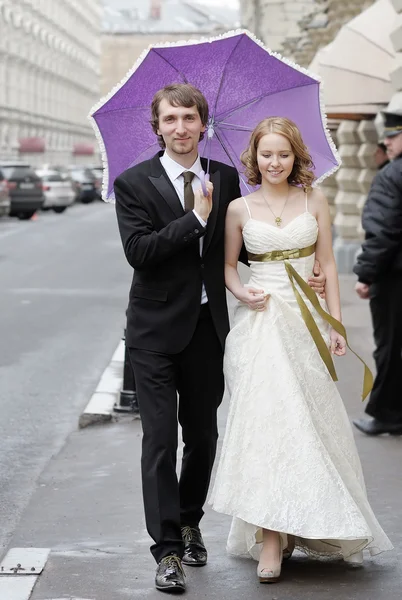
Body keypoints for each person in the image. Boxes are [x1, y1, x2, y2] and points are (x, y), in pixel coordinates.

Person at [114, 84, 326, 594]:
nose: (181, 127)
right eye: (171, 119)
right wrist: (195, 220)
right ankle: (166, 551)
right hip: (154, 333)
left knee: (204, 439)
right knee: (160, 442)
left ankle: (190, 523)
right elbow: (139, 252)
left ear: (203, 124)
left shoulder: (225, 176)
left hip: (210, 331)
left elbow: (244, 248)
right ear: (157, 128)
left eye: (190, 118)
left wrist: (302, 267)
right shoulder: (133, 183)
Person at [209, 116, 393, 584]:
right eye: (266, 154)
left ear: (296, 157)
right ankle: (271, 537)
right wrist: (241, 292)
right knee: (271, 424)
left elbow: (328, 264)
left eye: (283, 154)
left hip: (307, 322)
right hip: (261, 324)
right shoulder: (237, 209)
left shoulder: (316, 199)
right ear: (255, 157)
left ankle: (302, 523)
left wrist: (336, 324)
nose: (274, 162)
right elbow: (228, 268)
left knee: (308, 423)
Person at [353, 110, 402, 436]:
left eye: (394, 134)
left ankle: (387, 414)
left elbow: (383, 232)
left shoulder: (391, 175)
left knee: (391, 346)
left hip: (394, 278)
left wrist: (366, 274)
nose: (386, 140)